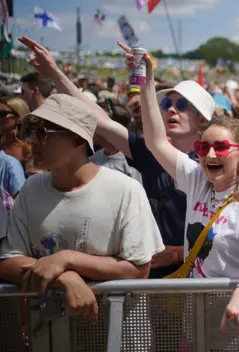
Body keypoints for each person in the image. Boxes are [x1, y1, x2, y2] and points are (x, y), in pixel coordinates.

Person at [18, 36, 215, 278]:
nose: (172, 109)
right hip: (150, 277)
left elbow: (226, 234)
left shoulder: (214, 166)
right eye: (166, 103)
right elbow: (97, 119)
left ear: (203, 119)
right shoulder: (150, 154)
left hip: (199, 278)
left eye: (183, 104)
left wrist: (176, 253)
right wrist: (55, 73)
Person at [127, 49, 239, 345]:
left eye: (220, 148)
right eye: (202, 147)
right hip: (196, 317)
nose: (209, 154)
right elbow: (156, 141)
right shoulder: (196, 178)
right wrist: (146, 84)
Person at [0, 95, 163, 321]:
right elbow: (8, 261)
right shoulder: (31, 189)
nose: (32, 141)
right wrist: (65, 277)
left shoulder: (125, 190)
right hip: (51, 333)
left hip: (115, 333)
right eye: (29, 132)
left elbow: (138, 269)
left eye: (42, 133)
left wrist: (68, 259)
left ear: (77, 139)